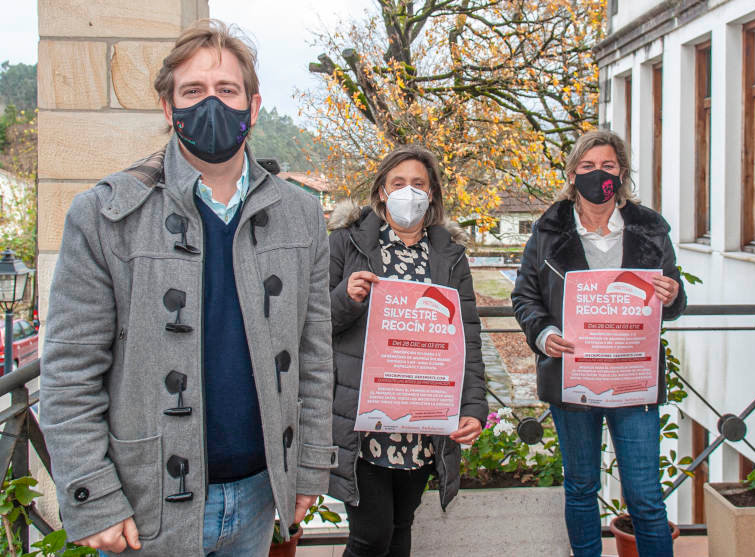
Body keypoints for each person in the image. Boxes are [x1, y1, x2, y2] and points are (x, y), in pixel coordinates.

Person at [40, 20, 337, 557]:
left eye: (226, 90)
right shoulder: (105, 216)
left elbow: (314, 357)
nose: (211, 105)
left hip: (256, 496)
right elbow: (69, 370)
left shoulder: (302, 215)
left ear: (253, 104)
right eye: (193, 91)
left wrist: (310, 467)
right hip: (145, 505)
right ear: (167, 107)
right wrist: (93, 496)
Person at [511, 129, 687, 557]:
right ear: (572, 174)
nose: (597, 175)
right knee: (581, 487)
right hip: (572, 378)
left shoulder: (650, 228)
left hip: (633, 379)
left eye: (607, 166)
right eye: (587, 167)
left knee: (645, 496)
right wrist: (544, 334)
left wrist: (673, 294)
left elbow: (675, 298)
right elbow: (525, 296)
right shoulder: (548, 230)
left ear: (621, 173)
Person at [326, 146, 488, 557]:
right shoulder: (347, 243)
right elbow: (311, 323)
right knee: (370, 536)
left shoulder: (449, 256)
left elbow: (467, 336)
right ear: (381, 191)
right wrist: (346, 297)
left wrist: (473, 407)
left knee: (401, 527)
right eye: (398, 184)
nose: (409, 192)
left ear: (432, 193)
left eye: (418, 184)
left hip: (422, 421)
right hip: (364, 420)